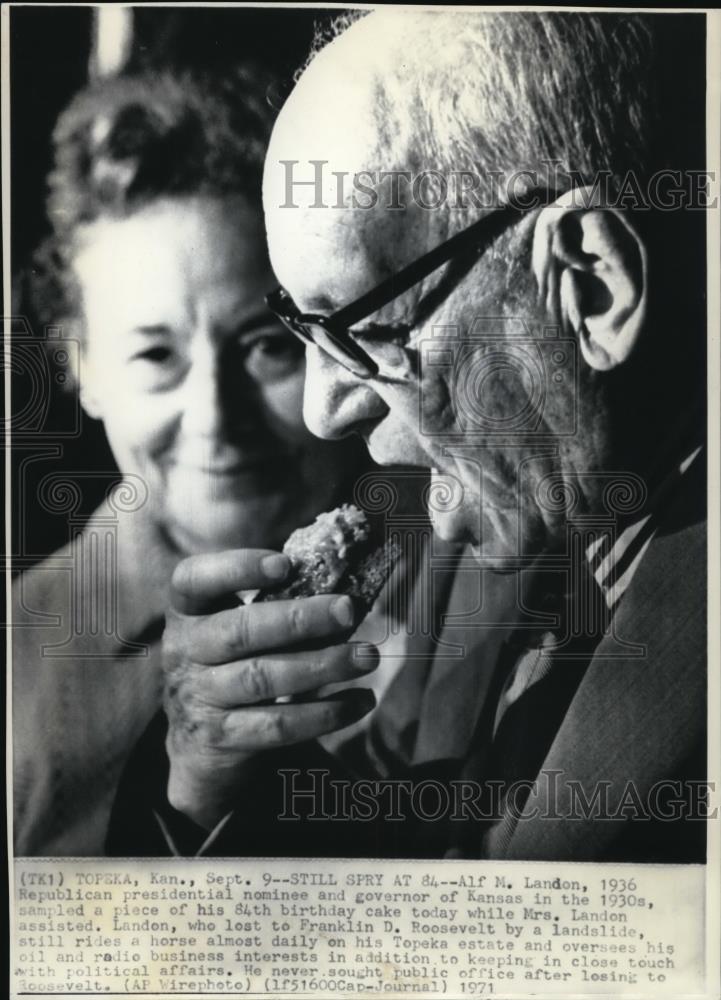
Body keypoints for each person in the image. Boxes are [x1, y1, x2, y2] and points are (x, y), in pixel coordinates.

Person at [109, 11, 707, 860]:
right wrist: (207, 785)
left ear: (588, 286)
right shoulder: (462, 563)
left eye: (362, 332)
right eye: (303, 331)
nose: (323, 412)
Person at [12, 66, 367, 856]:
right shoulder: (17, 673)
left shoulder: (488, 579)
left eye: (268, 347)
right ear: (82, 368)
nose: (215, 420)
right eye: (154, 356)